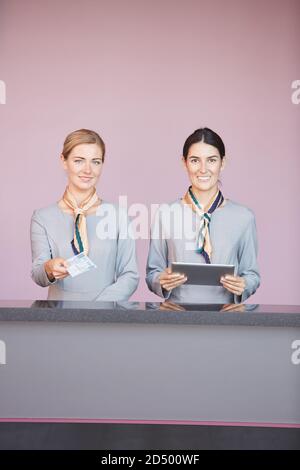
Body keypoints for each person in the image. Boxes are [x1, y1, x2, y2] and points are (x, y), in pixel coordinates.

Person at [146, 127, 260, 304]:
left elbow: (252, 274)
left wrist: (244, 285)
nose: (203, 169)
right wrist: (161, 281)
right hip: (176, 318)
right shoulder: (165, 214)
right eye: (195, 160)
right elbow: (153, 272)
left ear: (222, 163)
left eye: (211, 160)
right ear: (184, 163)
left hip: (225, 320)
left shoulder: (244, 217)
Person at [30, 129, 139, 301]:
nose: (88, 170)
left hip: (104, 318)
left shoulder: (118, 215)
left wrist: (96, 310)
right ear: (64, 161)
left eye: (95, 162)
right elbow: (38, 275)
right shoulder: (42, 217)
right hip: (59, 319)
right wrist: (49, 268)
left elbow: (130, 275)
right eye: (79, 161)